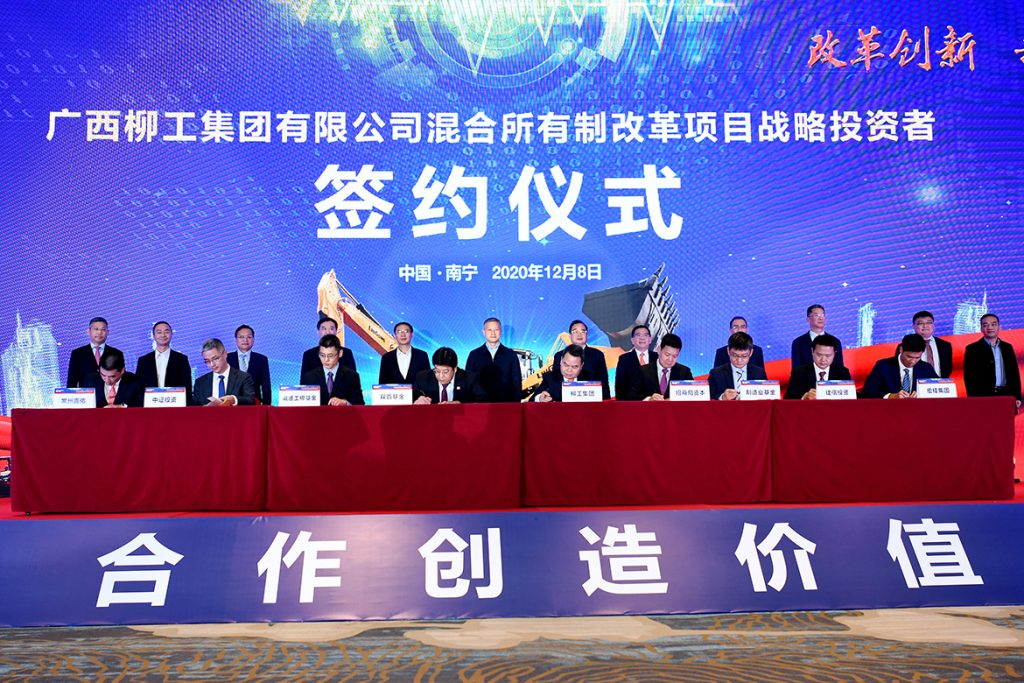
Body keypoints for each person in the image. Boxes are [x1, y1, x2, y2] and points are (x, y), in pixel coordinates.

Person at [963, 313, 1022, 409]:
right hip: (983, 398)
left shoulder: (1007, 347)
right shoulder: (972, 349)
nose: (990, 327)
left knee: (1005, 419)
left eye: (993, 324)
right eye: (985, 325)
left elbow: (1014, 374)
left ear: (999, 327)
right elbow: (969, 378)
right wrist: (973, 399)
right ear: (981, 329)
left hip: (1006, 396)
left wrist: (1017, 396)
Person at [862, 333, 938, 399]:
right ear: (901, 350)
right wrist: (890, 396)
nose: (913, 361)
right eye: (909, 357)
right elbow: (868, 392)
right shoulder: (883, 366)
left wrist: (923, 394)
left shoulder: (926, 368)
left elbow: (939, 389)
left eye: (917, 358)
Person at [465, 317, 523, 402]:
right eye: (489, 330)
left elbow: (516, 382)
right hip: (480, 404)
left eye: (496, 330)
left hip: (506, 404)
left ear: (501, 332)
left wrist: (515, 404)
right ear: (484, 332)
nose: (493, 333)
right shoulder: (474, 355)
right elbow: (468, 381)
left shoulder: (510, 355)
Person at [625, 333, 694, 401]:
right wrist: (649, 399)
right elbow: (631, 396)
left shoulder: (684, 372)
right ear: (659, 349)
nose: (670, 359)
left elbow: (693, 395)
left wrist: (675, 399)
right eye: (667, 354)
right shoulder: (643, 371)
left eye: (675, 356)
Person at [300, 334, 364, 406]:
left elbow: (359, 402)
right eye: (322, 355)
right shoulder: (309, 377)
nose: (326, 360)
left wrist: (345, 402)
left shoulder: (352, 376)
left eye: (330, 356)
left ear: (340, 353)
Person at [136, 321, 193, 400]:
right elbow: (138, 387)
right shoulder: (143, 361)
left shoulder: (181, 359)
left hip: (174, 403)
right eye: (159, 332)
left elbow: (187, 386)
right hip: (149, 404)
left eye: (166, 332)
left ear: (171, 334)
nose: (163, 335)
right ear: (153, 336)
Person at [784, 334, 851, 399]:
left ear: (834, 354)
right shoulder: (799, 373)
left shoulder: (842, 373)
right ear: (812, 351)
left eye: (828, 355)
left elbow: (851, 396)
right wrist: (805, 397)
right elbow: (788, 398)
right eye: (819, 355)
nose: (823, 359)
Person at [193, 339, 257, 406]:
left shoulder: (243, 377)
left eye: (215, 359)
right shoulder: (200, 383)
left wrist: (233, 399)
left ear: (225, 354)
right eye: (207, 361)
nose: (212, 364)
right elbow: (194, 407)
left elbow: (251, 400)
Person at [534, 344, 607, 402]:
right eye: (566, 365)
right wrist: (540, 398)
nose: (569, 370)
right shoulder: (550, 377)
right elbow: (533, 399)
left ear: (581, 365)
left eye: (574, 367)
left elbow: (603, 399)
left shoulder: (591, 378)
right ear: (561, 361)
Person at [413, 347, 486, 404]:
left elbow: (483, 400)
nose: (441, 376)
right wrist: (417, 400)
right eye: (437, 371)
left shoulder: (469, 378)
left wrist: (460, 403)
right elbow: (412, 396)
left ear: (455, 369)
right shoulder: (422, 377)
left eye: (445, 372)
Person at [709, 332, 769, 400]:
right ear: (728, 351)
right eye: (735, 355)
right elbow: (708, 396)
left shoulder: (759, 373)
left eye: (744, 356)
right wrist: (722, 397)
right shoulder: (716, 373)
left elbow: (766, 396)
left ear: (751, 352)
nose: (739, 360)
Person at [552, 320, 609, 389]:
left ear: (586, 335)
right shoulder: (559, 356)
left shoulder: (597, 355)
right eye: (575, 332)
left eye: (583, 331)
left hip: (591, 394)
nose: (579, 335)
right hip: (565, 394)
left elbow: (604, 382)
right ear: (570, 335)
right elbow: (554, 381)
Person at [66, 317, 121, 388]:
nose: (99, 332)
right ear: (89, 331)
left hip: (109, 394)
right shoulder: (77, 354)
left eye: (103, 329)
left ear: (107, 332)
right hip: (86, 394)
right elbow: (71, 382)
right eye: (96, 329)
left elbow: (121, 380)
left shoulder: (116, 353)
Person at [791, 304, 845, 371]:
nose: (821, 318)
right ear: (808, 319)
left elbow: (840, 369)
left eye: (823, 315)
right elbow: (796, 371)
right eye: (816, 315)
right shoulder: (798, 343)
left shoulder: (835, 341)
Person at [228, 324, 272, 405]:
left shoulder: (261, 359)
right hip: (232, 404)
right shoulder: (227, 358)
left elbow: (266, 386)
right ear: (235, 339)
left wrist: (267, 406)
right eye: (241, 337)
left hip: (254, 404)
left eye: (249, 337)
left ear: (253, 339)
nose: (245, 340)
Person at [614, 325, 657, 400]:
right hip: (632, 403)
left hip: (655, 402)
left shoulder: (657, 357)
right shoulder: (624, 359)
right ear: (632, 340)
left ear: (650, 340)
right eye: (638, 335)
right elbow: (620, 387)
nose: (642, 338)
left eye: (645, 335)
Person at [907, 311, 953, 379]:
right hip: (915, 384)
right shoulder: (905, 345)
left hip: (940, 383)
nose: (925, 326)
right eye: (920, 323)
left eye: (929, 323)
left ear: (933, 325)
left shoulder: (945, 345)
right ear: (913, 326)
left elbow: (947, 368)